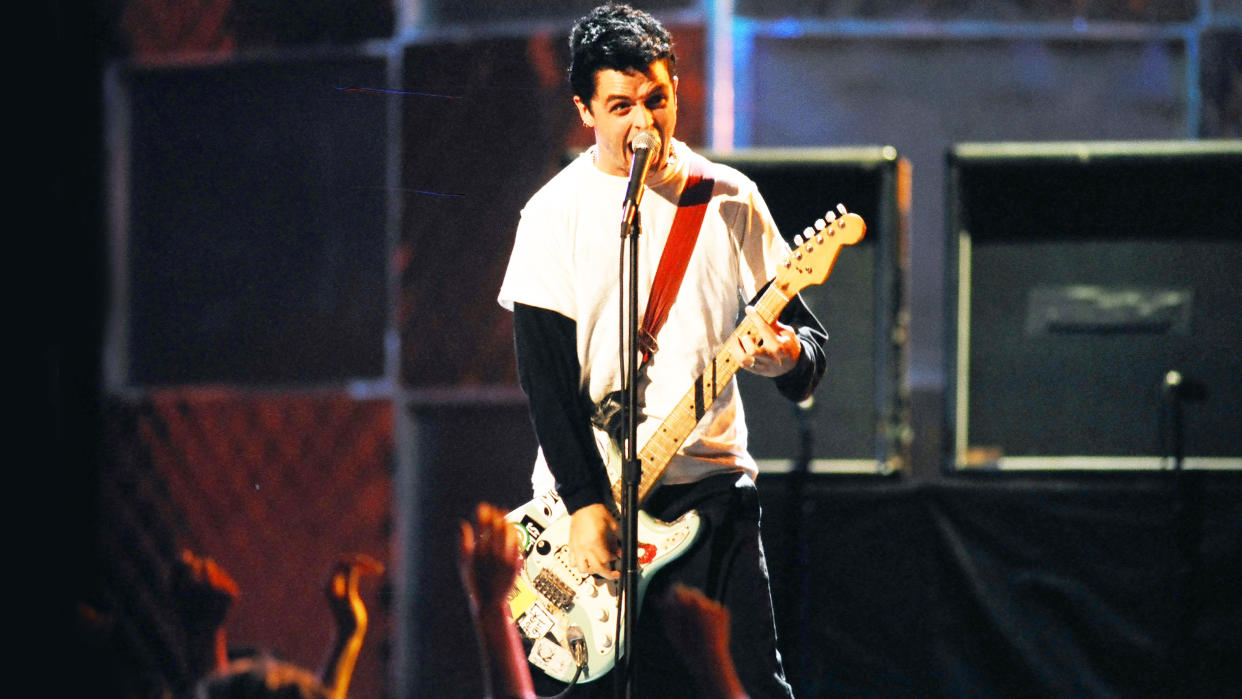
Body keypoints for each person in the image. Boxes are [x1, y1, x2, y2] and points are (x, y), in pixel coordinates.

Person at [496, 4, 827, 697]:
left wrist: (785, 353)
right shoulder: (552, 215)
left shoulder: (729, 197)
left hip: (712, 497)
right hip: (593, 505)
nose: (641, 121)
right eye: (619, 106)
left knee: (752, 685)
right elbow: (545, 380)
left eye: (656, 98)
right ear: (585, 110)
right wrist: (586, 503)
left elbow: (809, 352)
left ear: (675, 89)